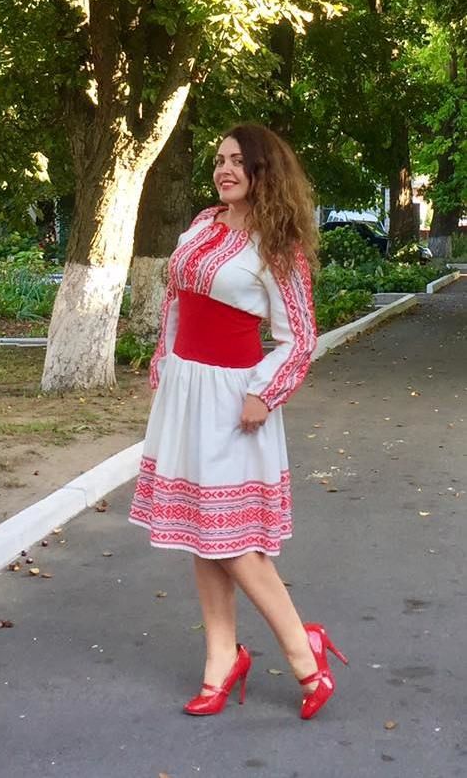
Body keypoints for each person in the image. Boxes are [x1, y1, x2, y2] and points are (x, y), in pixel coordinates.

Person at [129, 123, 348, 720]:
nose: (224, 170)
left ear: (261, 171)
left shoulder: (278, 246)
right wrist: (165, 366)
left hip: (234, 400)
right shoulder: (202, 225)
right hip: (186, 392)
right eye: (219, 160)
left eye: (236, 161)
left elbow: (299, 337)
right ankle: (221, 657)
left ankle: (304, 650)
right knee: (204, 532)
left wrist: (264, 393)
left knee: (231, 539)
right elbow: (176, 301)